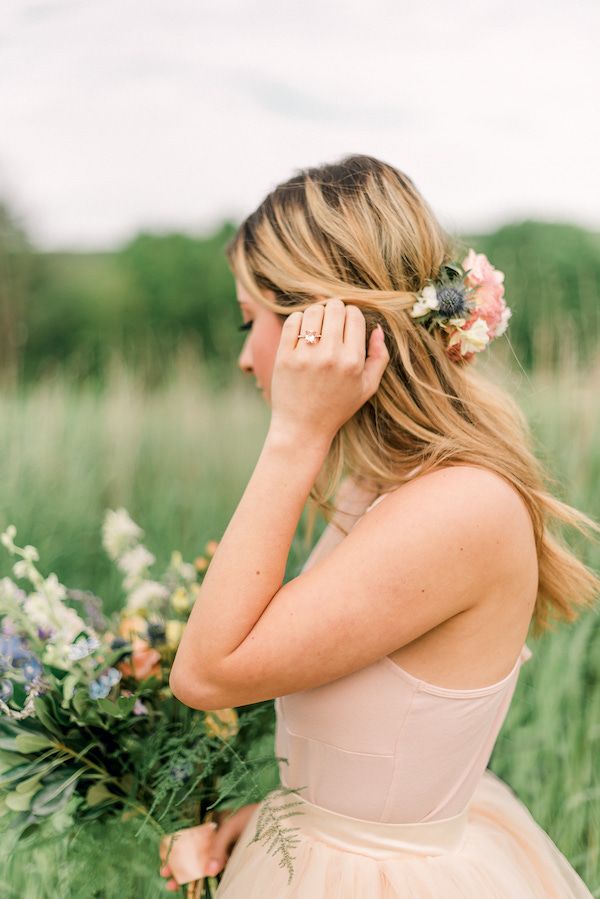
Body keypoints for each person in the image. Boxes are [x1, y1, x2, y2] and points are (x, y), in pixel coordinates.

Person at [160, 154, 599, 895]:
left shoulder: (460, 506)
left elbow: (207, 673)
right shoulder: (383, 485)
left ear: (319, 325)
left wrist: (296, 434)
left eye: (252, 318)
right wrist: (281, 812)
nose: (244, 356)